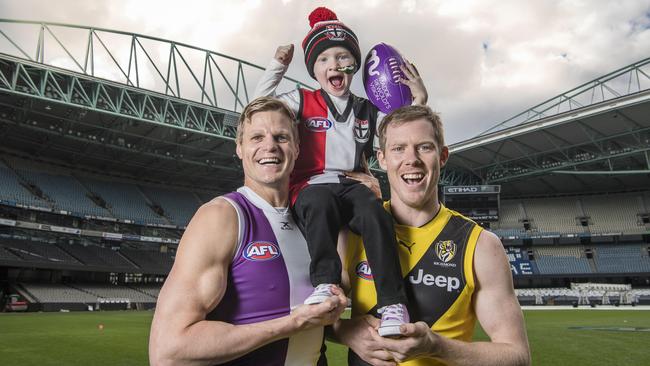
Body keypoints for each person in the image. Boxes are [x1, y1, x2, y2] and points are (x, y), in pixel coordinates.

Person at [254, 6, 428, 337]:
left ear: (354, 66)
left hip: (353, 184)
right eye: (323, 59)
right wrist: (277, 65)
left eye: (342, 57)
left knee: (376, 214)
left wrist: (418, 100)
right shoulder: (300, 100)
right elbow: (258, 110)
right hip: (311, 184)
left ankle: (393, 302)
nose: (334, 64)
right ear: (313, 69)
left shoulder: (366, 108)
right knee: (318, 204)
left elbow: (403, 133)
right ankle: (326, 284)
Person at [148, 97, 348, 366]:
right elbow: (169, 350)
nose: (270, 146)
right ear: (240, 148)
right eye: (256, 137)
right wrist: (294, 322)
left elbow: (316, 318)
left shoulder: (313, 221)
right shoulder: (222, 216)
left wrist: (349, 333)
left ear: (297, 148)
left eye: (281, 137)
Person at [333, 105, 531, 366]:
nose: (411, 159)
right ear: (381, 158)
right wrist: (345, 331)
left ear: (443, 156)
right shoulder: (353, 232)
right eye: (398, 148)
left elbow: (517, 356)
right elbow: (307, 314)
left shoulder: (481, 245)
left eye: (424, 147)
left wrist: (437, 347)